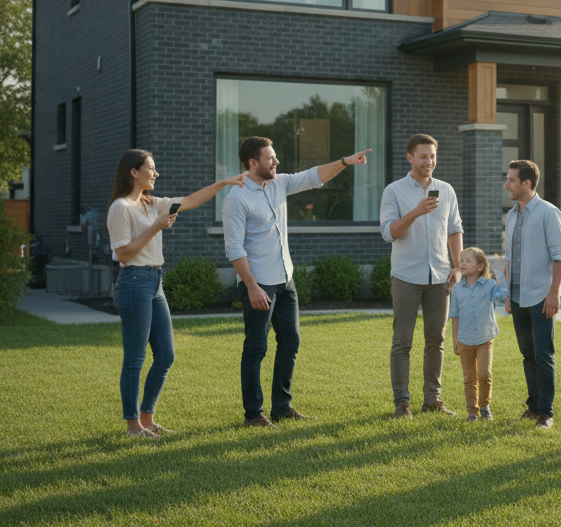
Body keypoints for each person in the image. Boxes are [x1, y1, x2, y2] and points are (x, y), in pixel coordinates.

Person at [222, 135, 370, 429]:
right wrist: (251, 287)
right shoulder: (236, 199)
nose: (276, 162)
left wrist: (345, 162)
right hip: (259, 283)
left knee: (290, 341)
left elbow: (313, 176)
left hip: (284, 279)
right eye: (270, 158)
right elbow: (234, 249)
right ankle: (253, 414)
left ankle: (281, 407)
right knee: (256, 348)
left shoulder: (278, 183)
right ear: (253, 163)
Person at [105, 149, 244, 437]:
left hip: (155, 282)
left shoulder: (151, 203)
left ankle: (147, 418)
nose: (155, 174)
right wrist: (156, 227)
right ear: (134, 171)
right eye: (151, 168)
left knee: (166, 355)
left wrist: (223, 183)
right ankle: (133, 426)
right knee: (135, 359)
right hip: (133, 282)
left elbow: (191, 200)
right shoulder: (121, 208)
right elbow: (123, 254)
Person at [380, 133, 464, 419]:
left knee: (436, 341)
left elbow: (454, 230)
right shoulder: (394, 191)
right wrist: (416, 212)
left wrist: (457, 266)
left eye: (432, 156)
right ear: (410, 158)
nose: (429, 162)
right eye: (423, 156)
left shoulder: (446, 190)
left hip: (440, 277)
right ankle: (402, 403)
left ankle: (432, 400)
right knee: (402, 342)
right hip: (406, 277)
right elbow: (389, 233)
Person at [502, 159, 561, 429]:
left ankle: (546, 412)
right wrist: (508, 294)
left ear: (526, 183)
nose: (506, 185)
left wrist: (554, 293)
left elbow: (560, 255)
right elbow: (510, 258)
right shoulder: (512, 215)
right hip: (517, 296)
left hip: (542, 295)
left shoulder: (548, 213)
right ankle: (532, 406)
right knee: (528, 354)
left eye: (511, 181)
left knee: (543, 354)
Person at [449, 247, 509, 421]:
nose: (462, 263)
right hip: (465, 339)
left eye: (468, 260)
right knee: (469, 378)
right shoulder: (457, 290)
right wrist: (455, 341)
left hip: (485, 337)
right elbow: (455, 316)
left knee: (484, 375)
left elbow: (501, 297)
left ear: (480, 266)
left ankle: (484, 406)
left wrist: (501, 276)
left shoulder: (489, 285)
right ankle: (472, 412)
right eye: (461, 260)